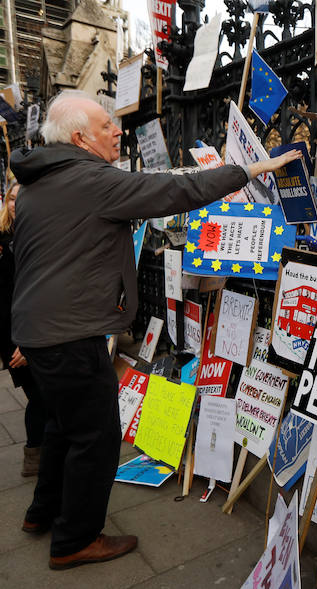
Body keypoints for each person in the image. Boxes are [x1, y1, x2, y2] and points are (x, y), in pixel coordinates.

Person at [10, 91, 300, 570]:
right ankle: (74, 539)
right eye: (107, 125)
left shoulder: (42, 182)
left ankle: (41, 515)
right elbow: (173, 191)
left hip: (39, 330)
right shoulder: (88, 179)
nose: (117, 131)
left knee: (63, 424)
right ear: (81, 137)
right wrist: (247, 171)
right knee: (97, 436)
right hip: (70, 335)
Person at [0, 179, 48, 476]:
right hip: (14, 335)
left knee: (45, 397)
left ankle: (42, 457)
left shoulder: (39, 236)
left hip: (39, 332)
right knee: (40, 396)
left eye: (22, 198)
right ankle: (35, 458)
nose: (16, 204)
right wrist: (17, 346)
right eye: (12, 198)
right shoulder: (2, 240)